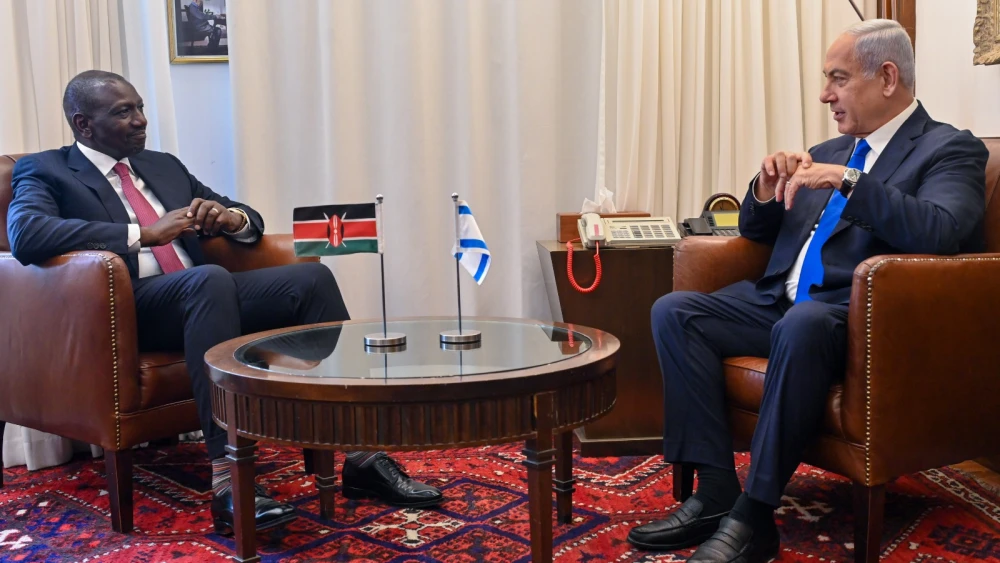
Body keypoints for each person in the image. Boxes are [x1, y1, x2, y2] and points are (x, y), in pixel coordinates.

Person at [6, 70, 443, 535]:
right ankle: (229, 479)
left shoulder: (162, 166)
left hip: (202, 297)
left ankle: (360, 452)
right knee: (207, 281)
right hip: (124, 312)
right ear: (84, 124)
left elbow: (244, 214)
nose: (140, 120)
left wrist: (230, 219)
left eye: (139, 107)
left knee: (310, 278)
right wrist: (140, 235)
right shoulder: (47, 170)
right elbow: (26, 234)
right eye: (123, 112)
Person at [627, 19, 987, 562]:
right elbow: (756, 232)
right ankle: (716, 492)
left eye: (838, 79)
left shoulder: (949, 149)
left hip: (857, 318)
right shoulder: (831, 148)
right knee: (675, 312)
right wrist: (765, 190)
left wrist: (849, 182)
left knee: (804, 321)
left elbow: (942, 229)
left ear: (887, 77)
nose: (825, 95)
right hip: (779, 301)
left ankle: (754, 517)